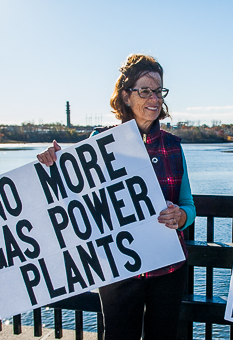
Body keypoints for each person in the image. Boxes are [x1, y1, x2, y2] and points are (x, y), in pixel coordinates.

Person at [37, 54, 196, 340]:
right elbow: (72, 192)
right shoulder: (99, 142)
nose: (154, 98)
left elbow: (189, 206)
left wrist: (182, 217)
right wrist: (52, 162)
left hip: (168, 269)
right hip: (119, 271)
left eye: (158, 91)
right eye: (145, 90)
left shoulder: (173, 146)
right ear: (125, 96)